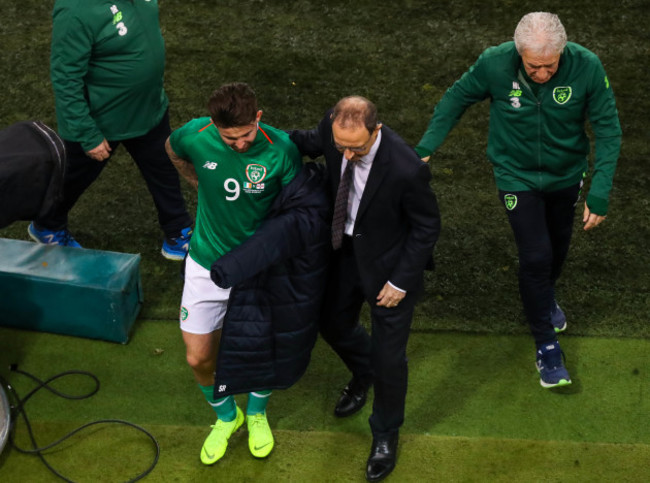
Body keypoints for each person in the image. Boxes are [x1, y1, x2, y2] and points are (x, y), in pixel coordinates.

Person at [415, 12, 622, 388]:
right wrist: (427, 147)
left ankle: (544, 296)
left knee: (557, 250)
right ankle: (546, 346)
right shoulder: (495, 62)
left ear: (562, 52)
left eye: (549, 66)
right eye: (533, 66)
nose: (542, 74)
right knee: (536, 256)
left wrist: (600, 189)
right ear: (518, 52)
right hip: (516, 176)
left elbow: (609, 129)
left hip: (566, 175)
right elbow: (456, 97)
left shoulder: (587, 66)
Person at [290, 96, 441, 482]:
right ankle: (363, 371)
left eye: (356, 147)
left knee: (391, 358)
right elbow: (304, 141)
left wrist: (401, 281)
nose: (347, 153)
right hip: (344, 252)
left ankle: (386, 434)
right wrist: (254, 137)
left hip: (390, 270)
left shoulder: (406, 168)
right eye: (341, 146)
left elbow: (426, 227)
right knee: (331, 323)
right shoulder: (334, 130)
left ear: (376, 129)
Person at [165, 82, 307, 465]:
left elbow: (297, 206)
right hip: (206, 264)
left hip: (260, 269)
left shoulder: (282, 149)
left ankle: (258, 413)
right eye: (230, 139)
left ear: (258, 118)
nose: (241, 144)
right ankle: (228, 416)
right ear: (214, 126)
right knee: (197, 358)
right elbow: (172, 148)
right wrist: (198, 181)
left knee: (261, 350)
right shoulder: (195, 135)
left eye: (246, 135)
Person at [28, 0, 193, 259]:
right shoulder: (75, 10)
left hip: (148, 108)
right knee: (74, 177)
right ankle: (47, 225)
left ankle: (177, 230)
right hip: (103, 120)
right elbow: (65, 77)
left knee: (163, 168)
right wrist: (86, 133)